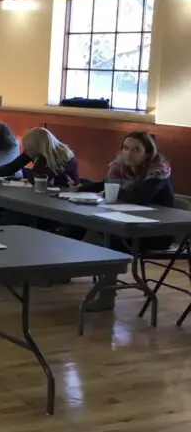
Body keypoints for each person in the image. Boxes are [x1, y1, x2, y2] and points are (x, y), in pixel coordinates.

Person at [82, 132, 174, 312]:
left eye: (136, 149)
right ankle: (80, 276)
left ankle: (106, 296)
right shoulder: (120, 167)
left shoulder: (158, 171)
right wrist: (79, 188)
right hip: (129, 224)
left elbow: (140, 197)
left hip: (156, 232)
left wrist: (114, 191)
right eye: (125, 148)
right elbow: (105, 184)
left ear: (147, 154)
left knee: (111, 242)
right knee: (100, 232)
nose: (128, 153)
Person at [0, 127, 79, 186]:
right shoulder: (33, 152)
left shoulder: (65, 158)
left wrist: (41, 159)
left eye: (28, 148)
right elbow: (12, 167)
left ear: (36, 147)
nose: (26, 151)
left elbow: (35, 179)